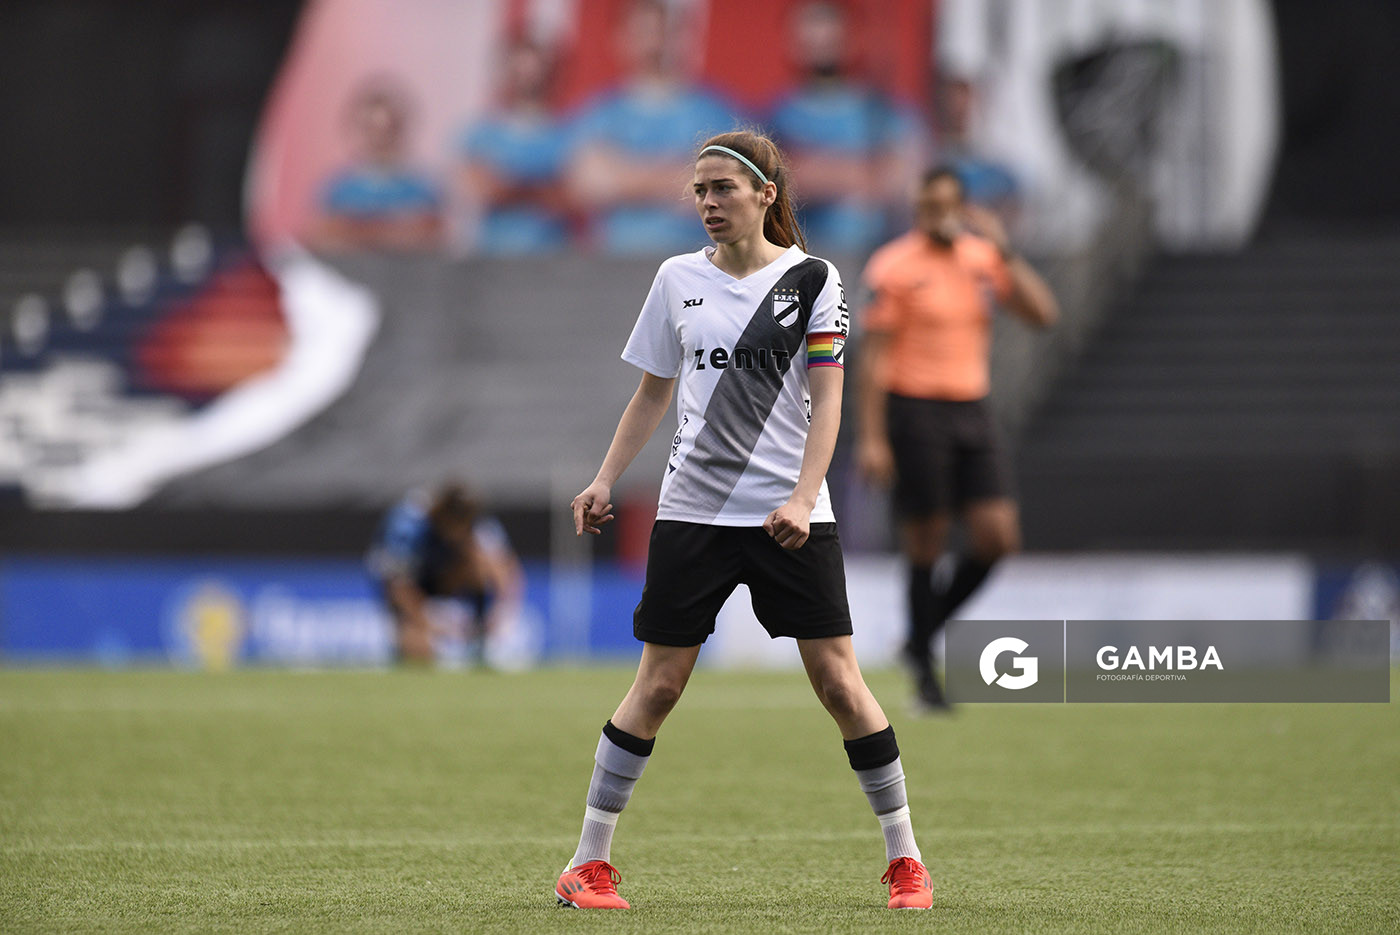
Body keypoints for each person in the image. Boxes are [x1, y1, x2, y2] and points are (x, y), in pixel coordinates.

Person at [556, 129, 933, 911]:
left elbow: (827, 400)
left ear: (767, 193)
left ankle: (906, 860)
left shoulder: (813, 280)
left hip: (791, 517)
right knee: (658, 686)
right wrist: (604, 478)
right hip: (691, 512)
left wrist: (802, 496)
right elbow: (652, 393)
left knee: (839, 683)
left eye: (722, 188)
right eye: (698, 190)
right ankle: (586, 863)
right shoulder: (674, 279)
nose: (707, 203)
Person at [855, 166, 1058, 710]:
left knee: (997, 537)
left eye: (946, 204)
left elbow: (1043, 313)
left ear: (964, 208)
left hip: (972, 407)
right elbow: (873, 358)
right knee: (928, 539)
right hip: (914, 410)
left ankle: (918, 637)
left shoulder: (982, 259)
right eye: (927, 206)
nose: (936, 215)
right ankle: (925, 676)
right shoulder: (894, 265)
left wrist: (1006, 249)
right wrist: (872, 437)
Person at [565, 0, 738, 253]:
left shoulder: (718, 114)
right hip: (613, 267)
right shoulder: (597, 115)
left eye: (662, 32)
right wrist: (678, 176)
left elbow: (724, 190)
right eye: (643, 32)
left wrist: (622, 175)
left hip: (696, 268)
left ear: (681, 37)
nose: (653, 43)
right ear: (621, 40)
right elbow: (588, 185)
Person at [768, 0, 922, 251]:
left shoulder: (883, 112)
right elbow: (779, 184)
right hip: (804, 256)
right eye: (810, 30)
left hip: (873, 252)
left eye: (829, 28)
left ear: (849, 36)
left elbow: (906, 179)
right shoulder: (778, 116)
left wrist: (812, 169)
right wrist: (864, 172)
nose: (820, 40)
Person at [367, 482, 521, 665]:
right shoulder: (408, 525)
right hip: (415, 587)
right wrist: (432, 625)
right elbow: (397, 587)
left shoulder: (479, 526)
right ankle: (406, 642)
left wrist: (500, 616)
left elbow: (507, 570)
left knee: (481, 560)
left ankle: (481, 639)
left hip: (448, 581)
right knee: (418, 650)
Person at [456, 39, 574, 254]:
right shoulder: (481, 135)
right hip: (494, 259)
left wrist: (509, 186)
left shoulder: (568, 134)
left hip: (552, 259)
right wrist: (542, 188)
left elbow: (573, 196)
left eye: (534, 71)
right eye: (519, 71)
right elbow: (480, 189)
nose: (527, 79)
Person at [313, 78, 443, 251]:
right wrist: (394, 230)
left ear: (401, 130)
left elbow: (428, 234)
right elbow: (325, 234)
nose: (380, 139)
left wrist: (356, 229)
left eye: (388, 129)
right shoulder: (338, 189)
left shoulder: (423, 188)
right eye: (371, 130)